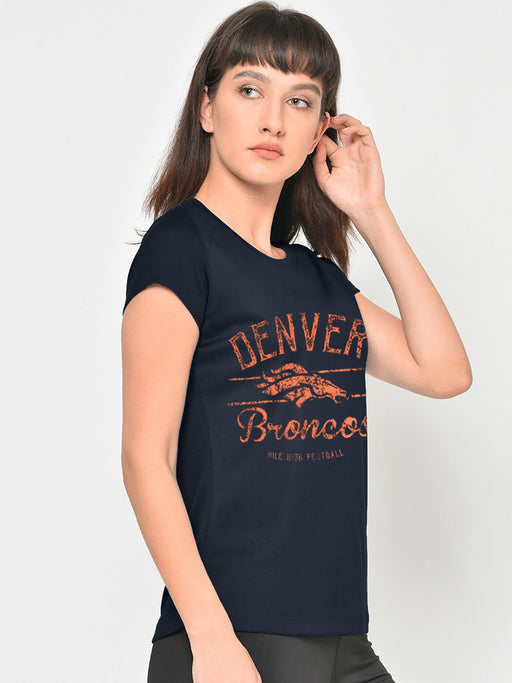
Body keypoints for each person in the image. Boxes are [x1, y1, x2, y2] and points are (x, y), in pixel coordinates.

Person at [120, 2, 473, 681]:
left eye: (300, 100)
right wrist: (212, 639)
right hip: (235, 638)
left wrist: (372, 211)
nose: (274, 121)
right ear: (207, 108)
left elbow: (444, 371)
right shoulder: (181, 248)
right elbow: (145, 457)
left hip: (343, 637)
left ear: (319, 131)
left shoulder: (318, 278)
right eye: (250, 89)